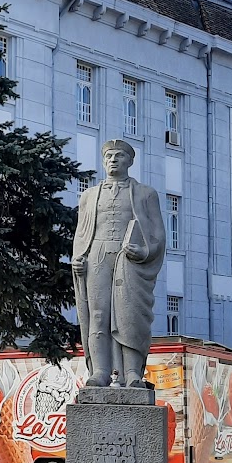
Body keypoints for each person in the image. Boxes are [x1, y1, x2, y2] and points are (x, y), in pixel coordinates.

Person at [71, 140, 166, 387]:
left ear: (130, 161)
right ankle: (100, 372)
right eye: (109, 156)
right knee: (98, 314)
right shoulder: (89, 196)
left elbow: (158, 234)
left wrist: (143, 251)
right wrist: (78, 258)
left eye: (119, 155)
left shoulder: (146, 194)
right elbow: (82, 234)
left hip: (129, 260)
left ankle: (132, 373)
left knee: (129, 315)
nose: (113, 160)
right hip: (97, 257)